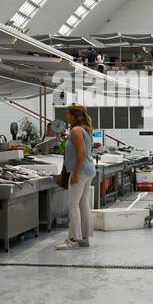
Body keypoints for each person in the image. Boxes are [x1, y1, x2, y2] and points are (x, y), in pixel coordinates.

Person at [57, 104, 96, 250]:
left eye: (68, 114)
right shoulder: (85, 130)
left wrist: (75, 173)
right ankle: (84, 238)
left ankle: (72, 239)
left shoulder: (75, 130)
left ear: (74, 116)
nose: (66, 117)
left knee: (73, 204)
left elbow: (81, 152)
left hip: (80, 170)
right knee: (83, 203)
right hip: (88, 170)